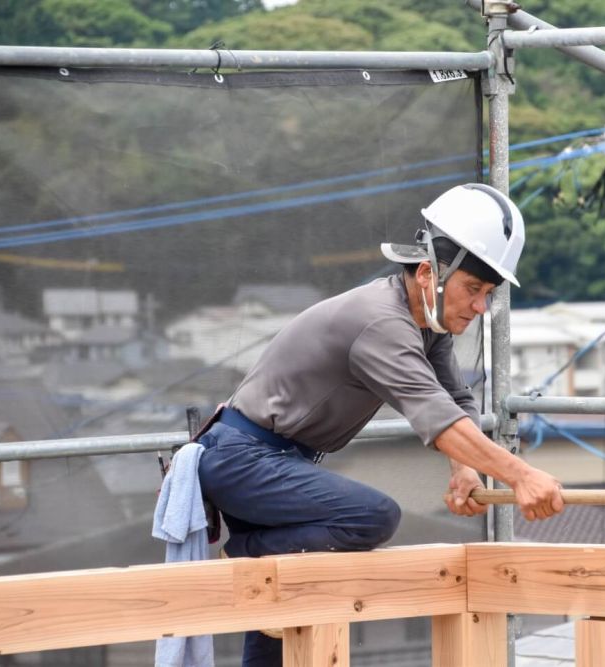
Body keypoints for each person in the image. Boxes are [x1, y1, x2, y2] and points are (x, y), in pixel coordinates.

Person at [196, 182, 564, 666]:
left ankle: (255, 557)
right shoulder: (382, 323)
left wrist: (465, 470)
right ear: (430, 272)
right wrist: (520, 474)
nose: (480, 307)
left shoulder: (424, 324)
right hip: (244, 457)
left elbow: (454, 398)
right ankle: (244, 554)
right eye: (473, 289)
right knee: (370, 517)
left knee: (281, 625)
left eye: (488, 294)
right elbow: (436, 418)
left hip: (273, 460)